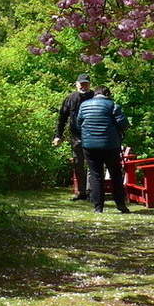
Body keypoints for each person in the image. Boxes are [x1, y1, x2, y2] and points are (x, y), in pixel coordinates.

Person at [75, 85, 131, 213]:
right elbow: (124, 124)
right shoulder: (113, 105)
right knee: (115, 174)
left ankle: (98, 207)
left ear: (95, 94)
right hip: (110, 145)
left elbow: (78, 124)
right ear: (107, 94)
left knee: (95, 175)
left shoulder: (84, 105)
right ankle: (121, 205)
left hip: (89, 146)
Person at [52, 73, 94, 200]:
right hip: (76, 136)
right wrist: (58, 135)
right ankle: (81, 192)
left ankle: (92, 192)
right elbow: (62, 118)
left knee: (93, 164)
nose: (83, 86)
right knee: (78, 164)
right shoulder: (70, 98)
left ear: (89, 85)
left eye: (86, 84)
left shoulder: (94, 97)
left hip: (93, 135)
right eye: (81, 84)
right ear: (76, 84)